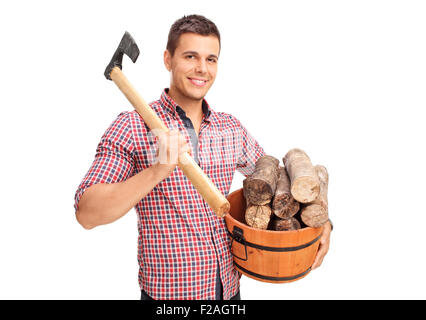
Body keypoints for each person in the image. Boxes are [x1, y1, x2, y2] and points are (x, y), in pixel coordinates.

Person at [74, 14, 332, 300]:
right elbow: (87, 213)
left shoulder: (231, 128)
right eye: (190, 56)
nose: (201, 69)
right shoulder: (132, 126)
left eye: (211, 59)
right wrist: (157, 170)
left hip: (229, 294)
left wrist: (323, 223)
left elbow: (280, 182)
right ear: (167, 59)